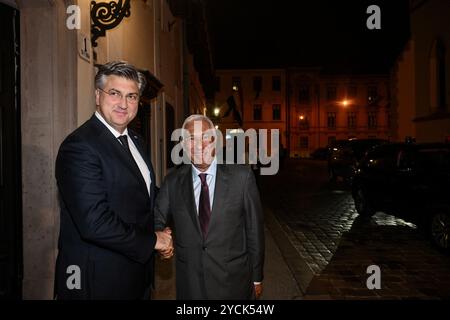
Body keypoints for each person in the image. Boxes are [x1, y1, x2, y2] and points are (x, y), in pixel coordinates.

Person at [54, 61, 173, 300]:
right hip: (97, 279)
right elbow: (94, 222)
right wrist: (153, 241)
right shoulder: (79, 146)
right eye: (114, 93)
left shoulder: (136, 140)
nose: (123, 104)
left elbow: (145, 195)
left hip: (136, 274)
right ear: (98, 96)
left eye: (131, 96)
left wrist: (184, 204)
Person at [155, 114, 265, 300]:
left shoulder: (242, 177)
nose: (200, 145)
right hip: (190, 284)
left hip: (233, 282)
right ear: (182, 143)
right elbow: (156, 218)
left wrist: (256, 277)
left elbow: (254, 230)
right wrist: (160, 239)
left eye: (206, 137)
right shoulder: (172, 181)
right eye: (191, 138)